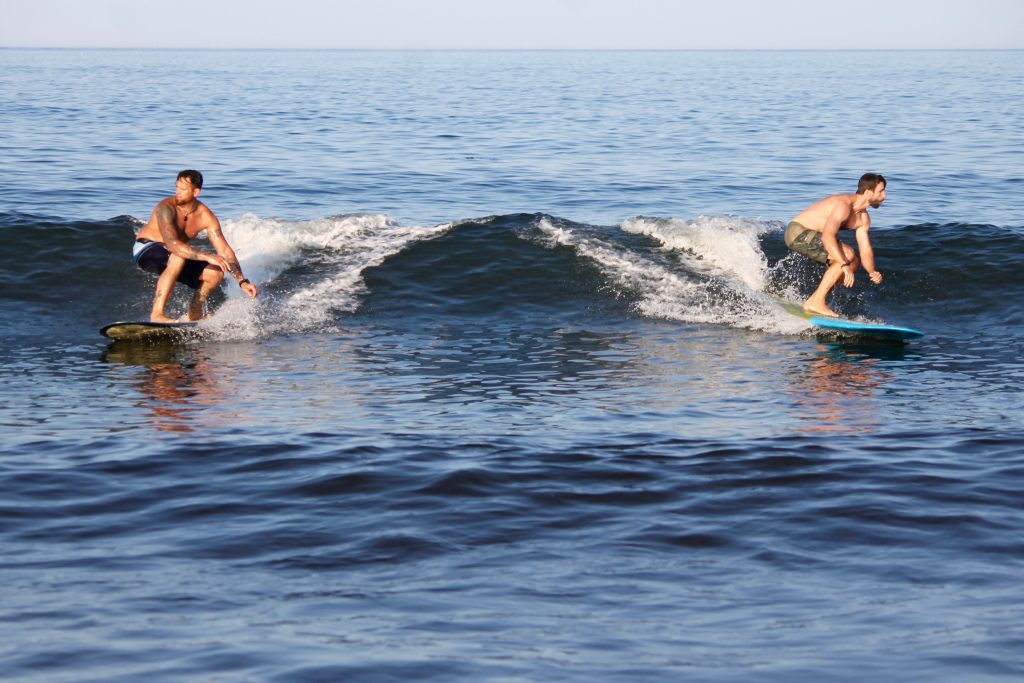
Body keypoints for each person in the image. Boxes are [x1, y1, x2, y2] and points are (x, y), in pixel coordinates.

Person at [133, 170, 258, 322]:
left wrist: (242, 281)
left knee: (216, 272)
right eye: (177, 187)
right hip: (146, 248)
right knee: (178, 256)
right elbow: (172, 244)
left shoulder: (206, 216)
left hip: (174, 256)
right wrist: (206, 256)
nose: (178, 192)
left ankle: (193, 314)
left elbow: (224, 251)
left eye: (183, 189)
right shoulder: (165, 207)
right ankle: (157, 314)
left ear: (196, 192)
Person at [784, 173, 887, 317]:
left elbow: (865, 249)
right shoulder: (843, 206)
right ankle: (817, 302)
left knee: (854, 263)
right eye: (881, 191)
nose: (884, 196)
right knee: (847, 256)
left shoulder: (863, 218)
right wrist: (843, 263)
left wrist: (871, 271)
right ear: (868, 192)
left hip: (812, 237)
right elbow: (827, 237)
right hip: (797, 232)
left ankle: (815, 300)